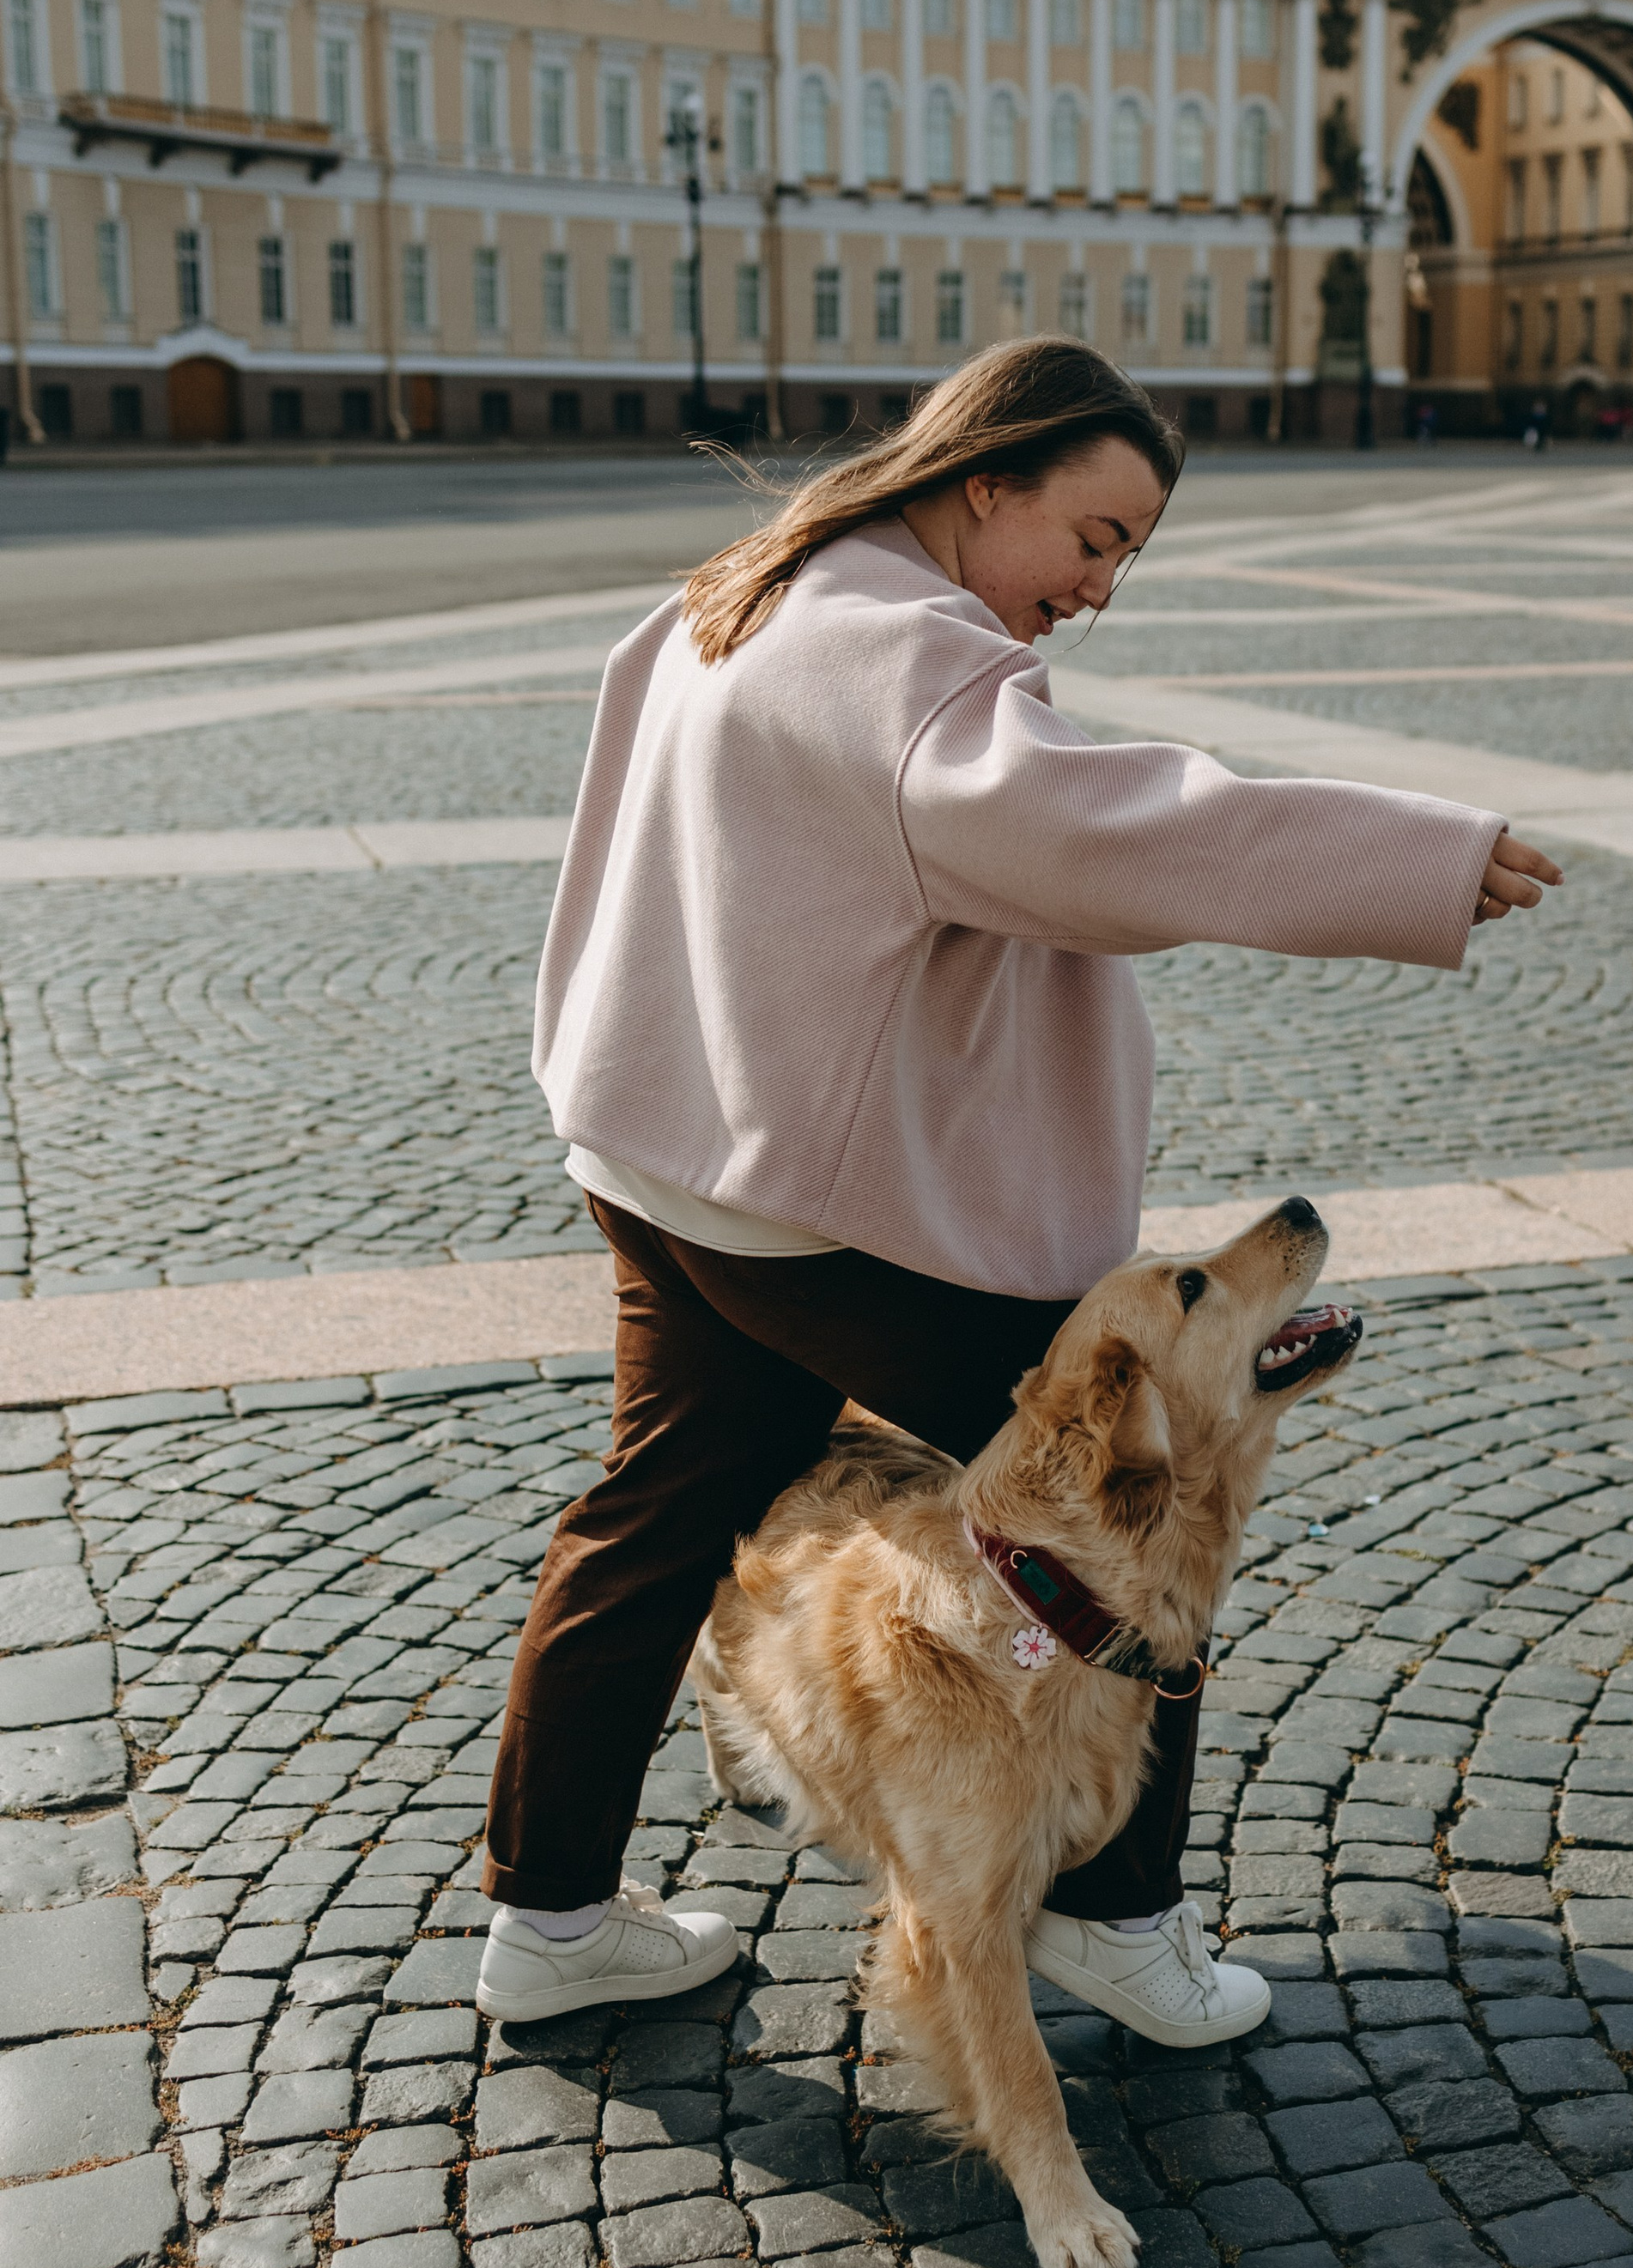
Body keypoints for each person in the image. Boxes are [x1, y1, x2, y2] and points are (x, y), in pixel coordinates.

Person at [475, 340, 1562, 2042]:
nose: (1100, 583)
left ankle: (546, 1917)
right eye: (1093, 531)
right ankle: (1117, 1925)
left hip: (666, 1159)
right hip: (823, 1204)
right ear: (988, 473)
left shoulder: (754, 590)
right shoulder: (907, 667)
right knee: (1138, 1494)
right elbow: (1114, 836)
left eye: (1129, 556)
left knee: (653, 1514)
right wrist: (1411, 856)